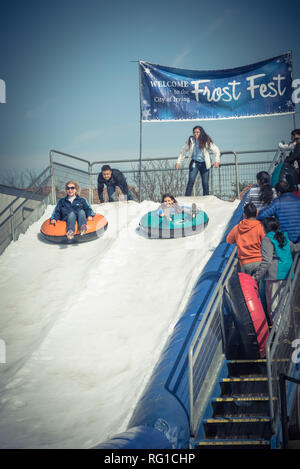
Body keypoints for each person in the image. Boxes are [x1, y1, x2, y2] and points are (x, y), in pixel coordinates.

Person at [253, 217, 300, 322]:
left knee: (274, 307)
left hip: (275, 276)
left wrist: (256, 277)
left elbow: (266, 261)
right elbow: (295, 248)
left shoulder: (267, 239)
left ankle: (277, 335)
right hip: (288, 275)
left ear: (265, 228)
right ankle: (285, 332)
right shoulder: (283, 236)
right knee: (285, 304)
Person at [175, 125, 220, 196]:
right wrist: (178, 162)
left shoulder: (206, 141)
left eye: (197, 132)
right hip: (194, 163)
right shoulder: (191, 141)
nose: (195, 134)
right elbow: (183, 151)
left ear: (201, 133)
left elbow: (216, 150)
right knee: (191, 180)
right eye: (194, 132)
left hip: (204, 164)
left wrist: (217, 161)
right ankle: (187, 196)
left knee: (205, 183)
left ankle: (206, 197)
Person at [226, 202, 265, 275]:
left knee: (246, 285)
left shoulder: (237, 228)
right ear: (256, 213)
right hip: (259, 261)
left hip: (244, 263)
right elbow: (265, 241)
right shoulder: (260, 227)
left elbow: (229, 240)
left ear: (244, 214)